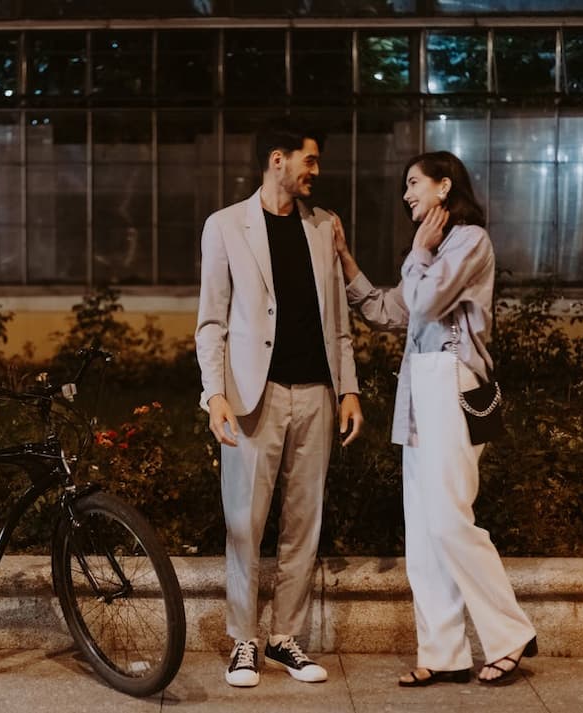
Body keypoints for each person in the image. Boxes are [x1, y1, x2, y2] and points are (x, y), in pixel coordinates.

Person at [331, 150, 537, 687]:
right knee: (422, 531)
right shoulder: (433, 250)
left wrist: (419, 253)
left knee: (449, 519)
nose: (406, 194)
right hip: (419, 390)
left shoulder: (469, 241)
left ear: (445, 187)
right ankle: (444, 653)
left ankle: (510, 633)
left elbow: (423, 303)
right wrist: (348, 262)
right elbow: (386, 311)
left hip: (452, 381)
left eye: (414, 183)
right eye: (405, 186)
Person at [195, 117, 363, 688]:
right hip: (251, 395)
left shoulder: (324, 227)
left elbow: (339, 321)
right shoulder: (225, 227)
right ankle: (244, 640)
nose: (316, 171)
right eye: (309, 160)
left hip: (315, 392)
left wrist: (349, 389)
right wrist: (213, 394)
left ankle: (285, 638)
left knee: (303, 523)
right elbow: (211, 322)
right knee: (244, 521)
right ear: (278, 160)